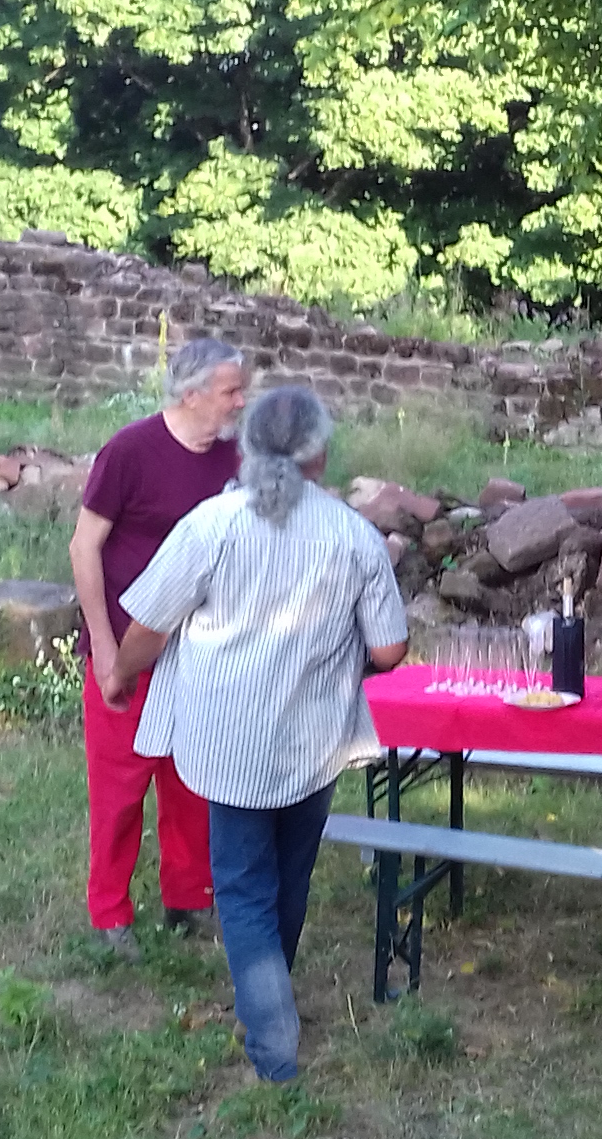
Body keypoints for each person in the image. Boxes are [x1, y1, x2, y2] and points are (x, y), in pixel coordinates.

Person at [108, 386, 408, 1085]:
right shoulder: (354, 536)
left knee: (243, 890)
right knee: (288, 878)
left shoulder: (211, 525)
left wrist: (120, 674)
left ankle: (272, 1044)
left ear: (246, 448)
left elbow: (149, 623)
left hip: (228, 741)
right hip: (315, 738)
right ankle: (264, 1000)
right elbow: (390, 650)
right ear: (319, 453)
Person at [70, 337, 249, 954]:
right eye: (230, 391)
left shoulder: (234, 460)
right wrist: (103, 645)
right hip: (129, 651)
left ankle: (189, 900)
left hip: (201, 654)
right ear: (191, 394)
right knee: (119, 791)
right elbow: (84, 547)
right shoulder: (130, 451)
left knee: (192, 783)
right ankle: (109, 915)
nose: (240, 402)